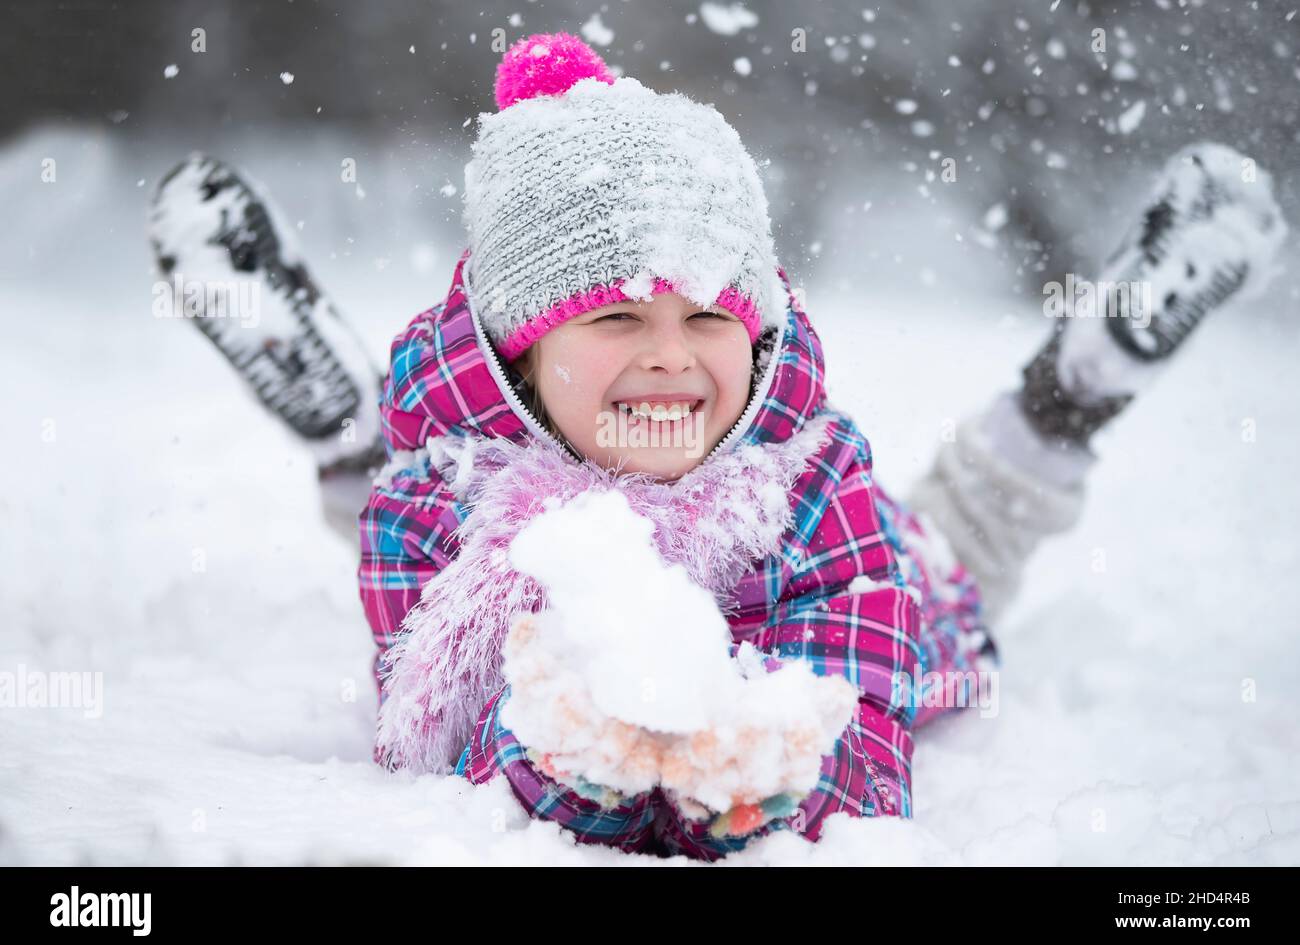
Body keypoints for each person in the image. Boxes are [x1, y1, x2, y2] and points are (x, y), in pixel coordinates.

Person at [148, 32, 1286, 861]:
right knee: (432, 488)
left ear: (757, 328)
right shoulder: (442, 507)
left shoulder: (808, 474)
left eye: (707, 318)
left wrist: (764, 772)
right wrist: (570, 763)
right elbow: (438, 735)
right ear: (515, 352)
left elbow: (863, 713)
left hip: (875, 570)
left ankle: (1076, 385)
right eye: (615, 318)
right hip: (474, 459)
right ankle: (357, 427)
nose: (672, 358)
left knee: (960, 531)